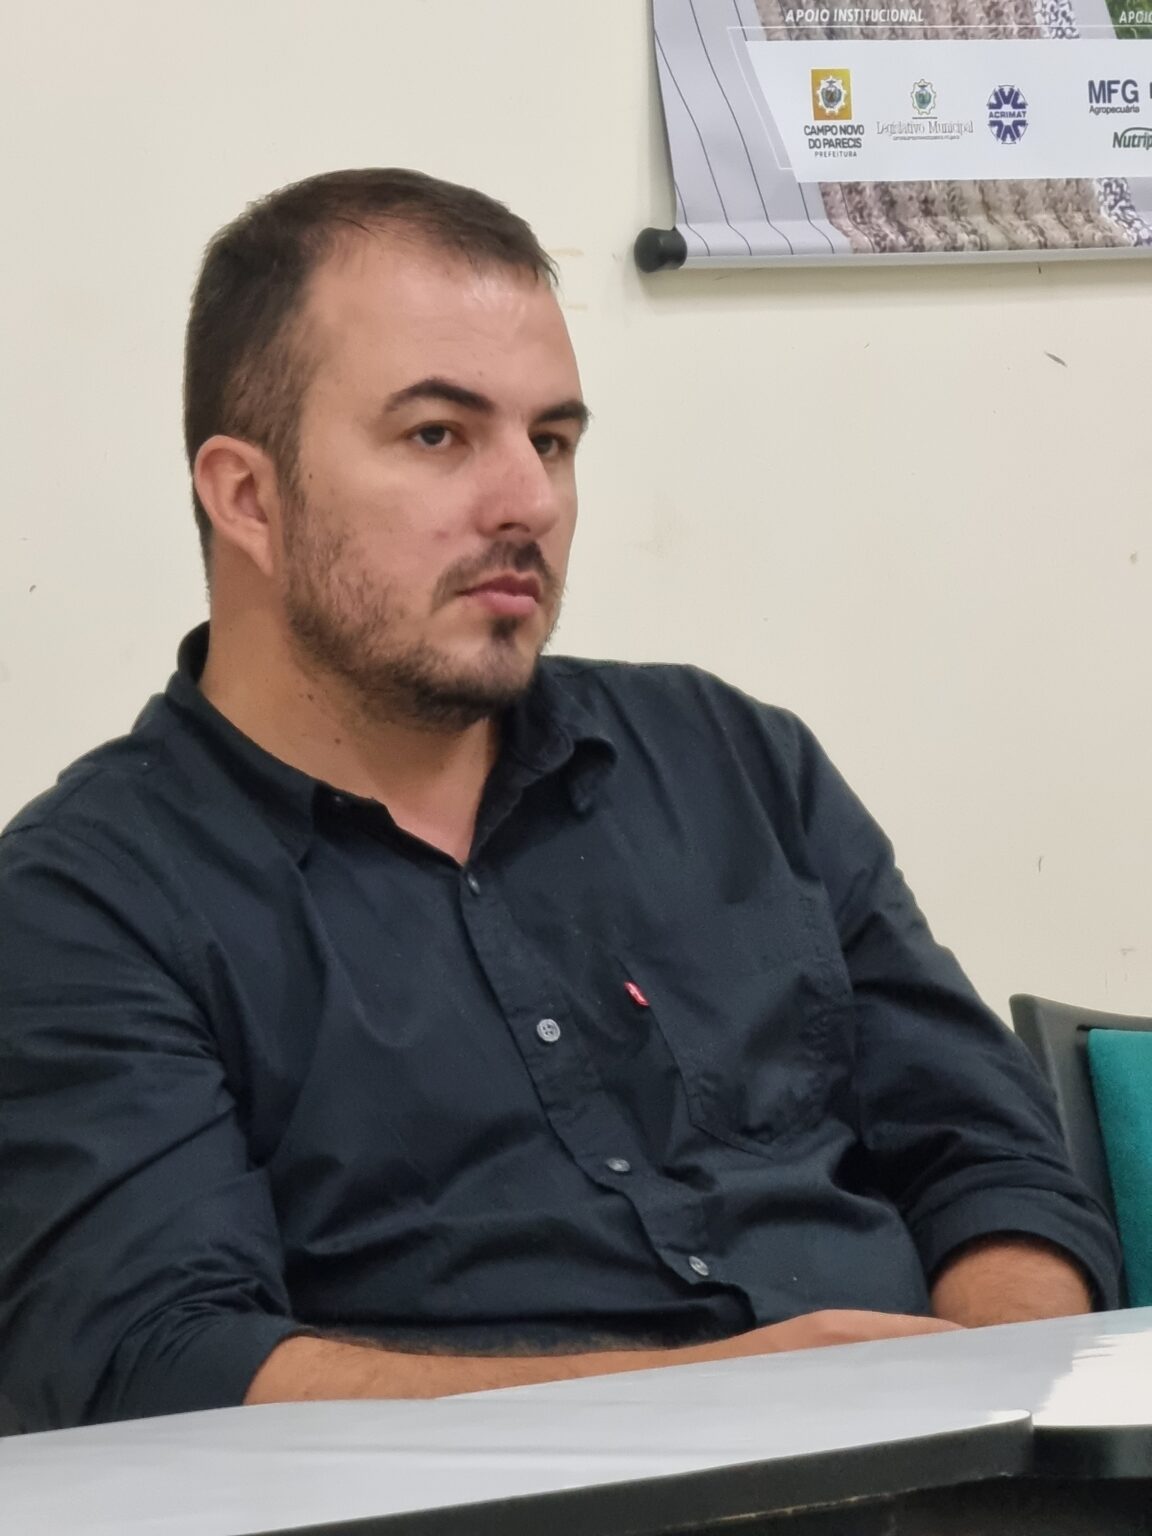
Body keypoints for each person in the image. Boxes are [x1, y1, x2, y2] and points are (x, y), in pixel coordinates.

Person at [0, 169, 1118, 1433]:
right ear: (247, 497)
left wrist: (991, 1394)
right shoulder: (85, 903)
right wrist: (745, 1406)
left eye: (552, 441)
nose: (529, 501)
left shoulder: (734, 761)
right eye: (439, 435)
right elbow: (156, 1367)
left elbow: (996, 1162)